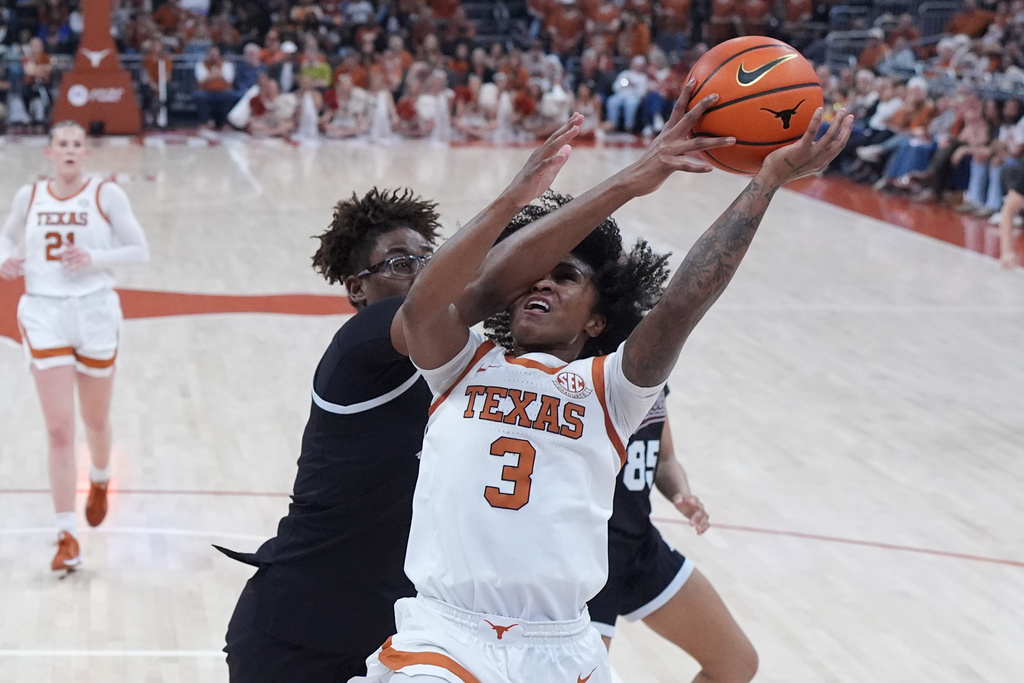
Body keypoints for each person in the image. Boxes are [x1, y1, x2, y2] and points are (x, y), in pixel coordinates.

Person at [358, 84, 853, 682]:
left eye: (565, 277)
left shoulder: (610, 390)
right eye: (533, 279)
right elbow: (422, 305)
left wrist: (766, 181)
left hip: (562, 648)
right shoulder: (462, 364)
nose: (542, 284)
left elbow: (682, 304)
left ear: (598, 319)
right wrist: (517, 198)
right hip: (447, 636)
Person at [220, 114, 667, 683]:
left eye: (427, 259)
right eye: (399, 263)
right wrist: (594, 189)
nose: (421, 272)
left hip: (399, 631)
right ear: (357, 287)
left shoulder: (471, 365)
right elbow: (487, 285)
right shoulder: (363, 346)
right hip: (302, 626)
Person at [0, 121, 150, 573]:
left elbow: (139, 250)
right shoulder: (30, 196)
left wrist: (93, 258)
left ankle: (100, 478)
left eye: (76, 144)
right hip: (44, 311)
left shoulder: (105, 195)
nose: (69, 150)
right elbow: (6, 236)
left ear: (86, 153)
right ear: (49, 152)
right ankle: (66, 535)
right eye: (61, 144)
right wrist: (5, 259)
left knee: (95, 421)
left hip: (95, 310)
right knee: (59, 430)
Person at [588, 391, 758, 683]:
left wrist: (682, 493)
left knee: (736, 663)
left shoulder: (654, 372)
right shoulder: (581, 375)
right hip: (590, 552)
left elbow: (665, 459)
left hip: (639, 545)